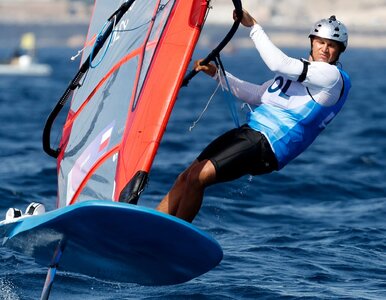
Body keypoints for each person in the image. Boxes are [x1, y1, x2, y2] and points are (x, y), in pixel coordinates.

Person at [157, 9, 351, 222]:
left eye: (331, 45)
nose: (324, 49)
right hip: (251, 132)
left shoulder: (331, 77)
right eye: (320, 42)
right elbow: (257, 95)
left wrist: (253, 27)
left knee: (198, 177)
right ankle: (150, 224)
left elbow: (278, 64)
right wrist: (217, 74)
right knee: (185, 177)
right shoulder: (300, 73)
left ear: (339, 52)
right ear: (312, 42)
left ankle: (174, 238)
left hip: (268, 145)